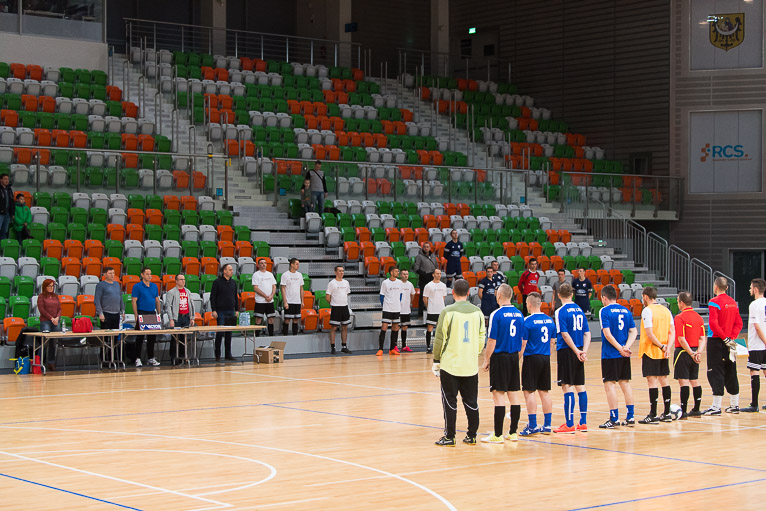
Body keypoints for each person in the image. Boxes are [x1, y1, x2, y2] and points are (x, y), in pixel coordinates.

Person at [432, 279, 486, 446]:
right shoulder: (478, 312)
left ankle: (450, 436)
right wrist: (474, 353)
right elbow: (481, 337)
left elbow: (439, 338)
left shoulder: (447, 311)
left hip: (450, 365)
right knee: (471, 402)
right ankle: (472, 435)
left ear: (453, 292)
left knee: (450, 401)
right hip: (470, 365)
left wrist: (436, 360)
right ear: (469, 293)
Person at [481, 283, 525, 443]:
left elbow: (492, 340)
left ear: (498, 295)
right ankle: (513, 432)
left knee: (498, 395)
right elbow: (522, 340)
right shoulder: (519, 314)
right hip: (513, 356)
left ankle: (498, 435)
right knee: (514, 395)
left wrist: (486, 360)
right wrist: (517, 356)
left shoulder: (496, 314)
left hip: (500, 357)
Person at [599, 285, 638, 428]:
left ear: (604, 297)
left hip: (610, 354)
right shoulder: (626, 310)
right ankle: (630, 416)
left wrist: (619, 348)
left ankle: (614, 418)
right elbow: (634, 331)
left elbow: (607, 334)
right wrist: (626, 347)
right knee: (625, 383)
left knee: (610, 385)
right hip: (624, 354)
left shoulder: (604, 311)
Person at [553, 283, 590, 433]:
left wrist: (575, 351)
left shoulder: (560, 311)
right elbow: (587, 333)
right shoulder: (580, 310)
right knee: (580, 385)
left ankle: (569, 424)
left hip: (567, 351)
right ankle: (583, 422)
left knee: (567, 385)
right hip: (580, 349)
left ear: (559, 295)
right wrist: (583, 351)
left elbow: (564, 334)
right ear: (572, 294)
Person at [704, 277, 743, 415]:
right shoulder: (733, 302)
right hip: (730, 341)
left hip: (716, 341)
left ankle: (716, 406)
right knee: (731, 370)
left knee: (715, 371)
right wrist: (731, 337)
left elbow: (713, 323)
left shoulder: (714, 302)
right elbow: (739, 323)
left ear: (715, 287)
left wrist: (724, 338)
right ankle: (734, 404)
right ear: (727, 288)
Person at [521, 292, 556, 435]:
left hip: (531, 358)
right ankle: (547, 425)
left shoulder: (527, 321)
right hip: (545, 357)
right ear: (540, 304)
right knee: (544, 392)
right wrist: (547, 354)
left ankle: (533, 425)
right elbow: (552, 342)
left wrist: (517, 359)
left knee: (529, 392)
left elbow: (523, 344)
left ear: (529, 304)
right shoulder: (550, 320)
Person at [638, 286, 674, 424]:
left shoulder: (647, 310)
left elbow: (649, 333)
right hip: (663, 351)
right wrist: (668, 347)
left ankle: (653, 414)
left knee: (652, 381)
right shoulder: (666, 310)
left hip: (651, 350)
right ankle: (667, 412)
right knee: (664, 379)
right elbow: (672, 331)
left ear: (646, 297)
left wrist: (661, 346)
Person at [673, 291, 706, 418]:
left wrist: (691, 353)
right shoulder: (699, 317)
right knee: (694, 380)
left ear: (681, 303)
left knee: (684, 382)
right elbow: (702, 338)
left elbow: (681, 339)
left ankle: (684, 411)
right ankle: (697, 409)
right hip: (695, 351)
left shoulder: (679, 317)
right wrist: (698, 352)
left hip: (683, 352)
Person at [131, 267, 162, 367]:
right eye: (147, 274)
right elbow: (134, 301)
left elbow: (157, 300)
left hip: (152, 313)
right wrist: (136, 315)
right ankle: (137, 358)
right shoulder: (137, 286)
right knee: (140, 337)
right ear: (142, 275)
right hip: (142, 312)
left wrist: (159, 313)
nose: (150, 276)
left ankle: (151, 357)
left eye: (150, 274)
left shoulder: (154, 286)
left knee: (152, 337)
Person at [743, 279, 766, 413]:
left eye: (751, 288)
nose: (749, 290)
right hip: (764, 345)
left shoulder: (754, 305)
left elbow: (756, 326)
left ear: (756, 290)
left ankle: (754, 404)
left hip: (757, 344)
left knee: (754, 371)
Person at [164, 274, 196, 366]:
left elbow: (191, 305)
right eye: (181, 279)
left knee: (183, 338)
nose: (183, 281)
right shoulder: (171, 292)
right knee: (175, 338)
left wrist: (192, 317)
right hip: (177, 317)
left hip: (186, 317)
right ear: (176, 281)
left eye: (184, 279)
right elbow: (168, 306)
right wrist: (171, 319)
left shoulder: (187, 291)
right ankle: (174, 358)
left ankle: (183, 357)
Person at [210, 263, 238, 361]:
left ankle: (228, 354)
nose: (232, 271)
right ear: (224, 271)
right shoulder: (217, 282)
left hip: (231, 310)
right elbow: (212, 297)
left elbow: (235, 296)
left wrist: (237, 309)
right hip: (220, 310)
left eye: (232, 270)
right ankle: (217, 354)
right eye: (230, 270)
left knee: (229, 333)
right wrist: (214, 310)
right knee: (220, 333)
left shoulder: (233, 282)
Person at [327, 266, 352, 354]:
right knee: (334, 327)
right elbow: (327, 296)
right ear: (335, 272)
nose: (342, 273)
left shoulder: (346, 282)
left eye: (342, 271)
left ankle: (344, 346)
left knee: (345, 327)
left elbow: (347, 294)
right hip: (336, 307)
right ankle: (333, 347)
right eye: (340, 271)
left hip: (344, 307)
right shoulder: (332, 283)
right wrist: (333, 304)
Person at [37, 278, 61, 371]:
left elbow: (59, 309)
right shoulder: (41, 296)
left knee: (53, 343)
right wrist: (51, 318)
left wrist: (57, 318)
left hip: (56, 322)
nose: (51, 288)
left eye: (52, 286)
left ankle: (51, 362)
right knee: (44, 343)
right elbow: (42, 310)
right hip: (46, 321)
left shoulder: (55, 296)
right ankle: (39, 363)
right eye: (49, 286)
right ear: (45, 287)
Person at [378, 266, 403, 356]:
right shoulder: (385, 282)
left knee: (395, 328)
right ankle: (380, 349)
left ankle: (392, 348)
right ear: (391, 272)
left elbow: (400, 295)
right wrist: (385, 305)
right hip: (387, 308)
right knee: (384, 328)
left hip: (396, 308)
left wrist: (397, 304)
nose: (398, 273)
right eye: (396, 271)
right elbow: (381, 296)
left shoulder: (400, 283)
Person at [422, 268, 448, 354]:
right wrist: (429, 307)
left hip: (441, 310)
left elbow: (443, 297)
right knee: (430, 328)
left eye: (440, 273)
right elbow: (425, 298)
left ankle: (441, 347)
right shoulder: (428, 285)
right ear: (433, 274)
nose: (439, 275)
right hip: (432, 310)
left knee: (441, 329)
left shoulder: (443, 285)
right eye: (437, 273)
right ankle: (428, 347)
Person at [252, 258, 277, 336]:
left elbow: (274, 286)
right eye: (262, 263)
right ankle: (256, 336)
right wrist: (265, 296)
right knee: (258, 319)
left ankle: (271, 335)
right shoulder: (256, 275)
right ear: (258, 265)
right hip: (260, 301)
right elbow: (255, 288)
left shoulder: (270, 274)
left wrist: (271, 296)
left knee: (271, 319)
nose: (264, 264)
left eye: (265, 263)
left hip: (270, 301)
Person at [413, 241, 438, 317]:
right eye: (425, 247)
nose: (426, 248)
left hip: (432, 278)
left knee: (432, 296)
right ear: (422, 248)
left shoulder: (433, 256)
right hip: (424, 278)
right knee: (423, 296)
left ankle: (431, 313)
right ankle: (420, 314)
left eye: (427, 247)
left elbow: (436, 266)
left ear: (430, 248)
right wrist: (423, 274)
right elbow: (416, 268)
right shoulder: (419, 256)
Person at [280, 258, 304, 336]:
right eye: (296, 264)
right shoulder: (285, 275)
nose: (298, 266)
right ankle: (285, 336)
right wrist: (285, 302)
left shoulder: (299, 275)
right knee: (287, 319)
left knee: (296, 319)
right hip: (289, 300)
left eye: (298, 264)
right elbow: (283, 288)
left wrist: (302, 301)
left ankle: (295, 336)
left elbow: (301, 288)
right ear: (292, 264)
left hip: (297, 301)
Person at [398, 269, 416, 352]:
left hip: (406, 310)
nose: (405, 276)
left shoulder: (410, 284)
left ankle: (404, 346)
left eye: (407, 274)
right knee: (396, 327)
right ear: (400, 275)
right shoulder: (398, 283)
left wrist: (410, 303)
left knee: (405, 327)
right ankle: (394, 346)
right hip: (398, 309)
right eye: (404, 274)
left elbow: (413, 294)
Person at [0, 173, 15, 241]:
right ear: (1, 180)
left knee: (4, 231)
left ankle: (3, 245)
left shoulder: (9, 190)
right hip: (0, 213)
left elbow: (12, 202)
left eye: (8, 179)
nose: (7, 181)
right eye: (5, 179)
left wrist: (12, 213)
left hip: (7, 214)